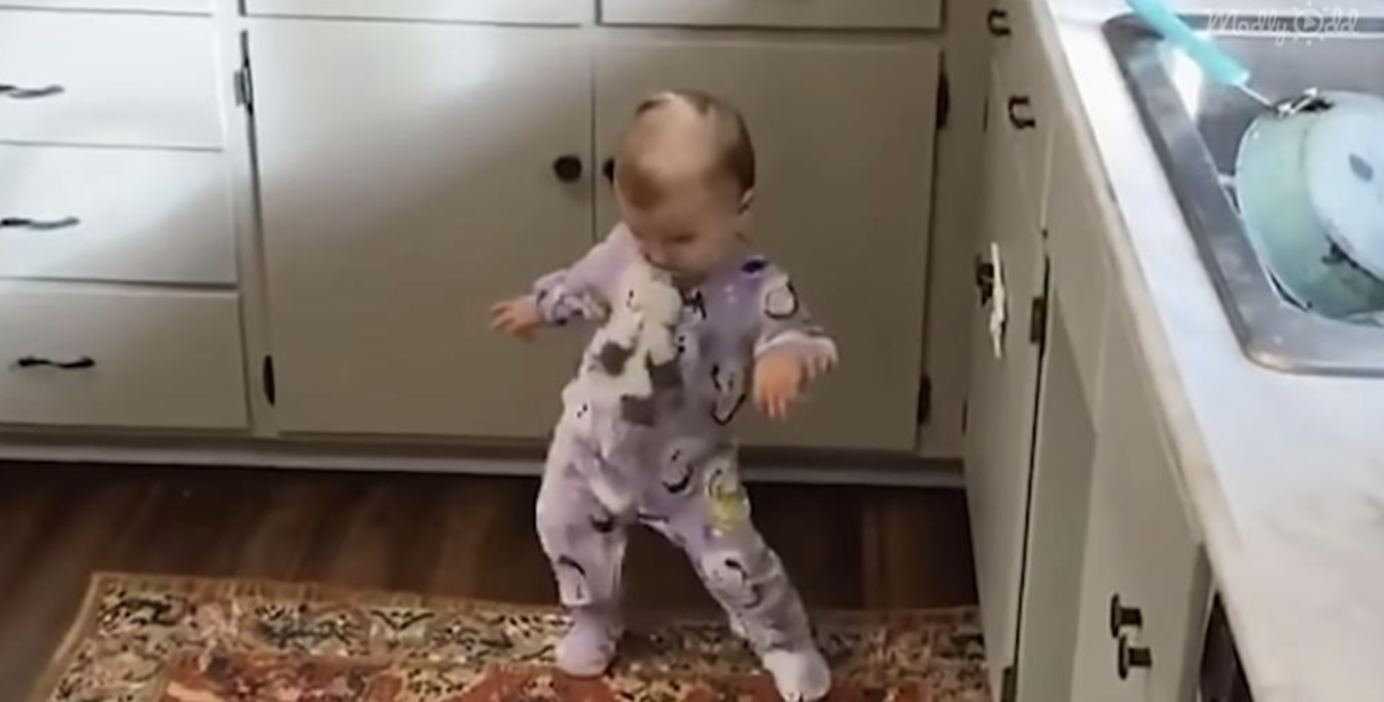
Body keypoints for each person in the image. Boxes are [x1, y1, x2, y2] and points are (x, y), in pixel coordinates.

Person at [489, 89, 838, 702]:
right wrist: (540, 307)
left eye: (679, 238)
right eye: (641, 232)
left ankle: (783, 640)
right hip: (593, 440)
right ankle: (594, 617)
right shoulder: (627, 250)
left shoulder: (756, 286)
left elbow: (800, 337)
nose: (656, 253)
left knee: (735, 557)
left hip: (694, 464)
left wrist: (783, 361)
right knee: (563, 525)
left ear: (740, 210)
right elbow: (584, 285)